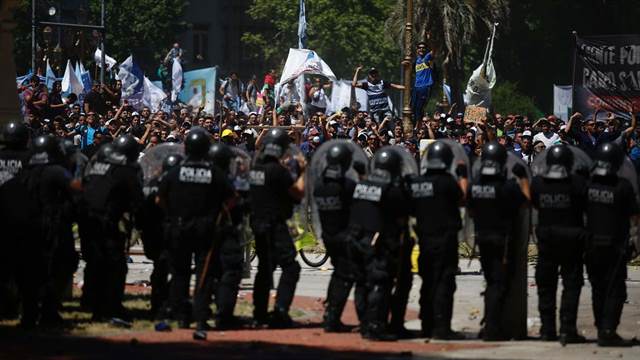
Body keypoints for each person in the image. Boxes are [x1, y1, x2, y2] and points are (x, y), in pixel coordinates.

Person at [156, 130, 234, 339]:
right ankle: (200, 317)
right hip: (206, 229)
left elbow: (159, 199)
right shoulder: (214, 173)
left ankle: (181, 315)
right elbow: (231, 198)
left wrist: (173, 213)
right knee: (204, 274)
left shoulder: (175, 172)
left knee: (179, 272)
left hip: (179, 228)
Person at [467, 141, 530, 341]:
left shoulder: (475, 185)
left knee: (491, 281)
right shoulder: (508, 186)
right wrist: (523, 177)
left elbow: (469, 210)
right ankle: (493, 329)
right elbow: (527, 201)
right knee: (498, 284)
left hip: (482, 239)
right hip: (503, 242)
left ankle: (491, 324)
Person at [348, 146, 410, 341]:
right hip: (378, 243)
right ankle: (375, 326)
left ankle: (365, 323)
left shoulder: (361, 185)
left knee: (362, 283)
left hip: (358, 240)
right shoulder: (391, 190)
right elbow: (403, 214)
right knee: (380, 284)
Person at [81, 134, 143, 322]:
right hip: (106, 223)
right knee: (115, 267)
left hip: (87, 220)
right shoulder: (126, 170)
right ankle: (111, 308)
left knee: (94, 264)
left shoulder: (97, 166)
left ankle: (90, 301)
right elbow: (137, 200)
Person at [409, 141, 467, 339]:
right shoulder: (448, 182)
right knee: (444, 283)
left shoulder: (417, 182)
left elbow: (411, 208)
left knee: (428, 282)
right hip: (445, 240)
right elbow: (462, 199)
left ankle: (427, 324)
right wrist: (463, 175)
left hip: (424, 240)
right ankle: (442, 329)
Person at [530, 144, 587, 344]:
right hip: (573, 240)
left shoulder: (537, 183)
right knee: (571, 285)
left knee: (546, 286)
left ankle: (547, 330)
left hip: (547, 241)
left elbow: (535, 203)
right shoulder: (579, 183)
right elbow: (585, 206)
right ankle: (568, 329)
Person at [249, 128, 305, 328]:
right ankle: (280, 311)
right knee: (291, 267)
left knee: (265, 268)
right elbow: (298, 193)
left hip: (258, 224)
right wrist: (304, 170)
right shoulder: (278, 171)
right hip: (275, 224)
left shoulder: (255, 168)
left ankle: (259, 314)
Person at [21, 135, 80, 327]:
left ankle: (29, 314)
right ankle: (49, 311)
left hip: (28, 226)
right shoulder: (56, 171)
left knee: (30, 270)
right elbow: (75, 189)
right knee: (61, 266)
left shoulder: (25, 170)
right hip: (53, 225)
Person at [584, 142, 639, 347]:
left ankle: (601, 328)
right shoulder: (623, 186)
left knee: (598, 288)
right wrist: (635, 243)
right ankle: (608, 330)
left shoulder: (587, 185)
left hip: (591, 244)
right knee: (615, 290)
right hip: (616, 246)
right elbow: (634, 218)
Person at [311, 142, 358, 332]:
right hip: (345, 237)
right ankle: (332, 318)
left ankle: (330, 313)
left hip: (328, 236)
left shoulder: (319, 185)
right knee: (345, 276)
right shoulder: (347, 185)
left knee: (338, 273)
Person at [207, 143, 246, 330]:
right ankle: (224, 315)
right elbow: (237, 204)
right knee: (230, 272)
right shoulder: (225, 181)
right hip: (226, 231)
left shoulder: (206, 178)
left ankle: (201, 312)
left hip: (205, 232)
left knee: (207, 271)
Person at [140, 153, 183, 319]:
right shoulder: (175, 184)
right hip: (169, 231)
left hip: (152, 232)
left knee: (160, 268)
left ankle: (158, 303)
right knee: (176, 270)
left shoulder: (151, 183)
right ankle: (169, 304)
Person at [0, 122, 31, 320]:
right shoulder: (31, 159)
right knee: (26, 269)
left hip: (2, 220)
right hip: (25, 220)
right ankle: (27, 312)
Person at [410, 42, 435, 124]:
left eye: (423, 47)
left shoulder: (427, 57)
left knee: (419, 107)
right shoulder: (415, 61)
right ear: (417, 50)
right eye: (419, 47)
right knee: (412, 107)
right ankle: (414, 124)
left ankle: (418, 126)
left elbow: (433, 50)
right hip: (416, 87)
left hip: (425, 86)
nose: (421, 49)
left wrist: (429, 38)